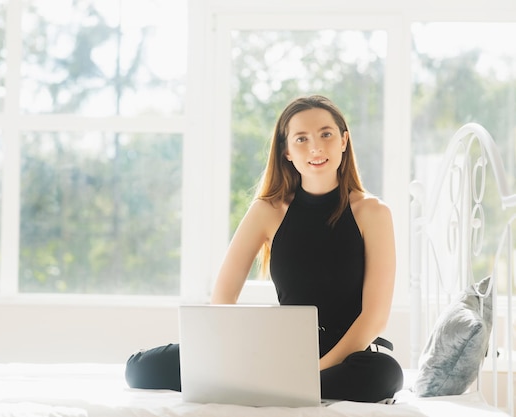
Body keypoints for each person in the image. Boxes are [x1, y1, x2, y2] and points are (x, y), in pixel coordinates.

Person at [125, 94, 404, 403]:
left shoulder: (373, 213)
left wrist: (314, 371)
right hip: (280, 349)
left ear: (343, 141)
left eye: (326, 134)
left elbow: (374, 318)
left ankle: (262, 385)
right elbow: (223, 296)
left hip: (346, 355)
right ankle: (269, 383)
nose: (315, 147)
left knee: (385, 374)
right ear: (286, 151)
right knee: (139, 369)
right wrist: (233, 351)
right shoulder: (268, 211)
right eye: (301, 139)